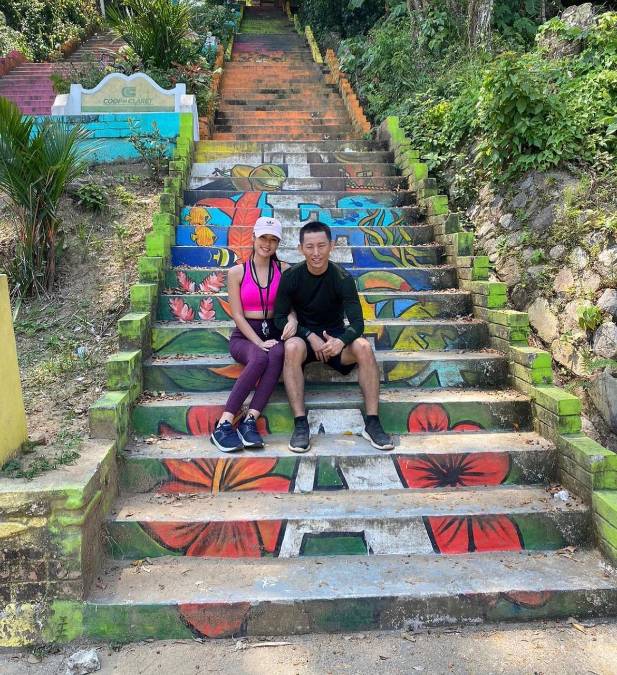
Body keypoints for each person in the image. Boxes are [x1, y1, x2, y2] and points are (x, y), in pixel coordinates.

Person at [273, 221, 394, 453]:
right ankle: (300, 424)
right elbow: (279, 318)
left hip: (335, 340)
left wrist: (341, 341)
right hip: (305, 341)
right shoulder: (291, 277)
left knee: (364, 347)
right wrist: (308, 335)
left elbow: (357, 323)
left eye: (321, 246)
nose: (316, 253)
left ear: (331, 246)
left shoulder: (342, 278)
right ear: (300, 248)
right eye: (310, 247)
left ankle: (372, 423)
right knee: (291, 347)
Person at [210, 217, 297, 452]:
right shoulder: (237, 272)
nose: (267, 244)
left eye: (273, 240)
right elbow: (237, 315)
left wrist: (293, 319)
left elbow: (292, 307)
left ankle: (249, 421)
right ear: (253, 237)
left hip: (275, 331)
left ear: (278, 243)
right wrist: (258, 342)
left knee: (277, 353)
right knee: (259, 357)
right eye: (263, 238)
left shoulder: (284, 270)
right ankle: (223, 424)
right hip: (245, 335)